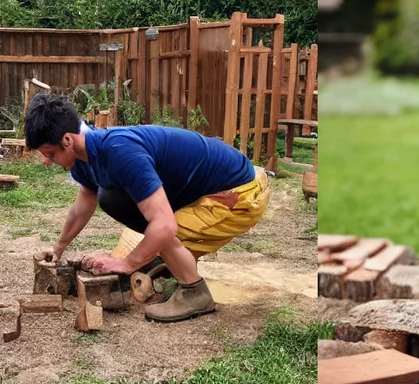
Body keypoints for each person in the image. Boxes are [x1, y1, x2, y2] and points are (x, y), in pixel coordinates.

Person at [23, 94, 270, 322]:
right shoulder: (83, 157)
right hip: (203, 190)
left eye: (50, 154)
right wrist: (58, 249)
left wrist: (128, 264)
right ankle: (168, 262)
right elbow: (84, 204)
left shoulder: (120, 152)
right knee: (111, 198)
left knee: (163, 231)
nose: (47, 162)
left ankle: (195, 293)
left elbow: (164, 225)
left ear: (67, 140)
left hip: (239, 193)